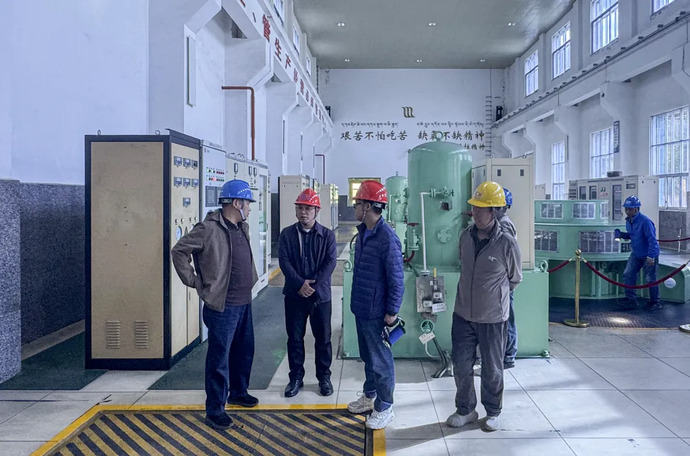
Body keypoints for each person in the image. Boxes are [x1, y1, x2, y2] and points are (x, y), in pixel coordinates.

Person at [171, 179, 259, 431]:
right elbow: (179, 251)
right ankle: (215, 410)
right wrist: (195, 281)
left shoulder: (241, 227)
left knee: (244, 351)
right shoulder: (208, 228)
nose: (250, 208)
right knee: (219, 359)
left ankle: (238, 392)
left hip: (244, 302)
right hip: (223, 306)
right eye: (248, 203)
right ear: (236, 203)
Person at [446, 181, 522, 432]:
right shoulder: (465, 237)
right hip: (463, 314)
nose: (475, 213)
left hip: (492, 317)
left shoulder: (507, 243)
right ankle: (466, 409)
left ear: (495, 211)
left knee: (492, 368)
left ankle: (493, 411)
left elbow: (515, 278)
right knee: (461, 365)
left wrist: (494, 297)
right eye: (474, 208)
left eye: (481, 208)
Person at [346, 180, 404, 430]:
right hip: (362, 308)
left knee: (381, 362)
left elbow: (396, 279)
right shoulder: (364, 233)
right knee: (368, 357)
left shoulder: (386, 238)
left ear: (368, 206)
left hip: (378, 312)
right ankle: (369, 396)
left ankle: (385, 406)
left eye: (357, 204)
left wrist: (391, 312)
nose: (355, 208)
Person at [278, 188, 337, 398]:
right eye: (300, 208)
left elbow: (330, 262)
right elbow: (284, 261)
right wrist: (299, 284)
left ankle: (324, 378)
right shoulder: (287, 234)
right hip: (294, 296)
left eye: (308, 208)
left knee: (323, 339)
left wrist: (313, 285)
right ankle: (295, 378)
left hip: (320, 297)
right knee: (294, 338)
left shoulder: (327, 235)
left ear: (317, 211)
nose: (303, 212)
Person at [615, 195, 661, 311]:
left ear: (636, 209)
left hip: (648, 254)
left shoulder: (645, 221)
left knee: (650, 278)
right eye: (626, 209)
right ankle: (631, 299)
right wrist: (621, 234)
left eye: (630, 209)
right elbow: (632, 235)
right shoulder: (629, 221)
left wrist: (651, 256)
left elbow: (652, 240)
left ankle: (655, 302)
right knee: (628, 274)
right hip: (636, 253)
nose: (627, 211)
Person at [498, 187, 518, 369]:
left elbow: (509, 254)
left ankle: (509, 355)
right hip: (501, 282)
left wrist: (510, 284)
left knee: (507, 319)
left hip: (504, 282)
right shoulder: (501, 222)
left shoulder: (504, 225)